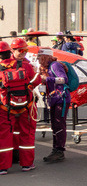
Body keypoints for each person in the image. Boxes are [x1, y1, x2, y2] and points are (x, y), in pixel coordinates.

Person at [0, 37, 41, 173]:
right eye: (21, 50)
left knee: (4, 136)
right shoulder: (26, 65)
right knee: (27, 134)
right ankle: (27, 164)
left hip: (5, 108)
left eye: (25, 50)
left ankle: (3, 167)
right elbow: (37, 80)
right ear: (11, 51)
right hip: (26, 107)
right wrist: (28, 87)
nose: (23, 53)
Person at [40, 56, 71, 163]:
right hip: (54, 99)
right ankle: (56, 150)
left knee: (59, 125)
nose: (39, 59)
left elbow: (64, 79)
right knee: (55, 125)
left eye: (40, 56)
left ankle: (59, 151)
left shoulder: (55, 65)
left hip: (61, 99)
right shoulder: (46, 67)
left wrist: (47, 79)